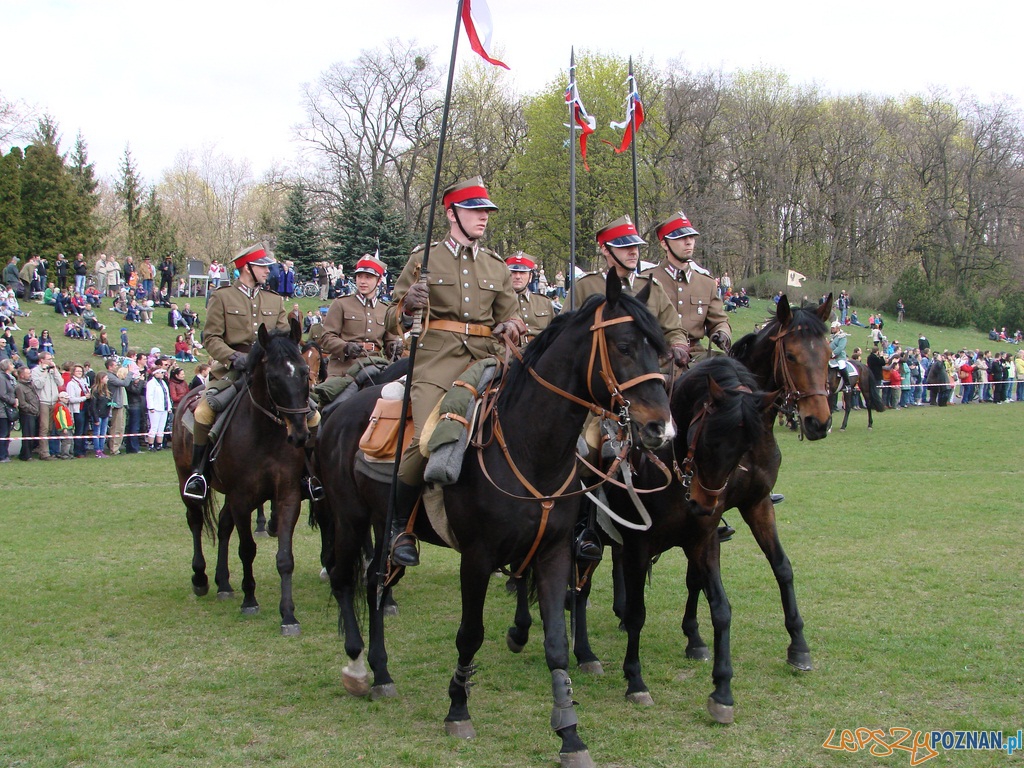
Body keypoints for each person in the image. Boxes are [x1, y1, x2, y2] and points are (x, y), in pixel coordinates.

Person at [384, 177, 524, 567]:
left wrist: (512, 325)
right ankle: (398, 525)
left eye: (486, 211)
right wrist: (407, 306)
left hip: (486, 359)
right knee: (427, 437)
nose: (483, 217)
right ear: (451, 214)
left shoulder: (496, 265)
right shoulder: (424, 259)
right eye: (475, 210)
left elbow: (513, 316)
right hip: (436, 360)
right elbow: (390, 318)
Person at [183, 243, 316, 499]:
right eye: (262, 267)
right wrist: (233, 357)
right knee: (204, 411)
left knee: (313, 415)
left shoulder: (274, 299)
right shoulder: (222, 297)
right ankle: (199, 473)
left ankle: (308, 474)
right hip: (233, 369)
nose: (268, 272)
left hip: (269, 370)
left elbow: (283, 338)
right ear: (247, 268)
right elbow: (211, 338)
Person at [570, 215, 688, 362]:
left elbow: (673, 328)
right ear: (606, 249)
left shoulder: (652, 287)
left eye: (636, 246)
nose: (634, 252)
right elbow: (567, 333)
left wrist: (678, 345)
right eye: (625, 247)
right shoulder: (585, 286)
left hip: (650, 367)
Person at [642, 211, 731, 362]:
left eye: (691, 237)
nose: (689, 242)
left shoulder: (706, 283)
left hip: (697, 355)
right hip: (659, 355)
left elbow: (718, 320)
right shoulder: (646, 281)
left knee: (732, 369)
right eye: (681, 238)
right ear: (664, 243)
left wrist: (722, 332)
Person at [320, 254, 401, 376]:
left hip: (376, 366)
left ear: (379, 281)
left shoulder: (385, 309)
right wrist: (345, 347)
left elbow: (390, 341)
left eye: (368, 277)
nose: (362, 281)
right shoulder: (341, 304)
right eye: (359, 276)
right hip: (344, 370)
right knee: (332, 388)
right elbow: (327, 337)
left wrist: (394, 347)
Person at [505, 252, 555, 342]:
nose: (518, 277)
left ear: (530, 277)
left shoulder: (544, 302)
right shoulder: (497, 302)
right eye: (513, 272)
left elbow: (554, 334)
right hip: (509, 349)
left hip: (540, 349)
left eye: (523, 273)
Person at [15, 365, 40, 461]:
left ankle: (27, 453)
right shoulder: (19, 387)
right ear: (22, 375)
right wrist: (33, 409)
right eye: (28, 373)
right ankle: (26, 455)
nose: (30, 375)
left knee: (33, 434)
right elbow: (22, 403)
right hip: (27, 414)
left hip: (34, 413)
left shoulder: (30, 384)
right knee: (28, 435)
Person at [145, 366, 171, 451]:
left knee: (161, 427)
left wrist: (169, 407)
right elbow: (149, 396)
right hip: (155, 408)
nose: (162, 374)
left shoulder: (163, 382)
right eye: (161, 372)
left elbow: (167, 395)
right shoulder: (151, 383)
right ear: (155, 374)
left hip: (164, 408)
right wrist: (151, 407)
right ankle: (151, 445)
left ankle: (159, 444)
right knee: (154, 427)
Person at [90, 373, 113, 458]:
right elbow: (93, 406)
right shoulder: (95, 390)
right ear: (101, 379)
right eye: (106, 378)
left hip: (105, 414)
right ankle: (97, 450)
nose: (107, 379)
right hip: (98, 415)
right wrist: (96, 418)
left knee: (103, 433)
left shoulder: (106, 390)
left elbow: (107, 401)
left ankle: (101, 449)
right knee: (97, 432)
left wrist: (110, 404)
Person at [828, 320, 853, 398]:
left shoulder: (842, 337)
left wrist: (833, 354)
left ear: (838, 328)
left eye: (833, 328)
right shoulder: (833, 337)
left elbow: (840, 347)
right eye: (832, 328)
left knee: (842, 366)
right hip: (830, 357)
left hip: (839, 357)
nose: (832, 329)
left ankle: (847, 385)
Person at [0, 359, 17, 462]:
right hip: (2, 410)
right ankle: (2, 455)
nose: (13, 366)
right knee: (3, 433)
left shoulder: (9, 378)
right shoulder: (1, 378)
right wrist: (13, 401)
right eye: (11, 364)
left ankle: (5, 454)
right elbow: (2, 394)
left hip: (7, 410)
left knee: (7, 433)